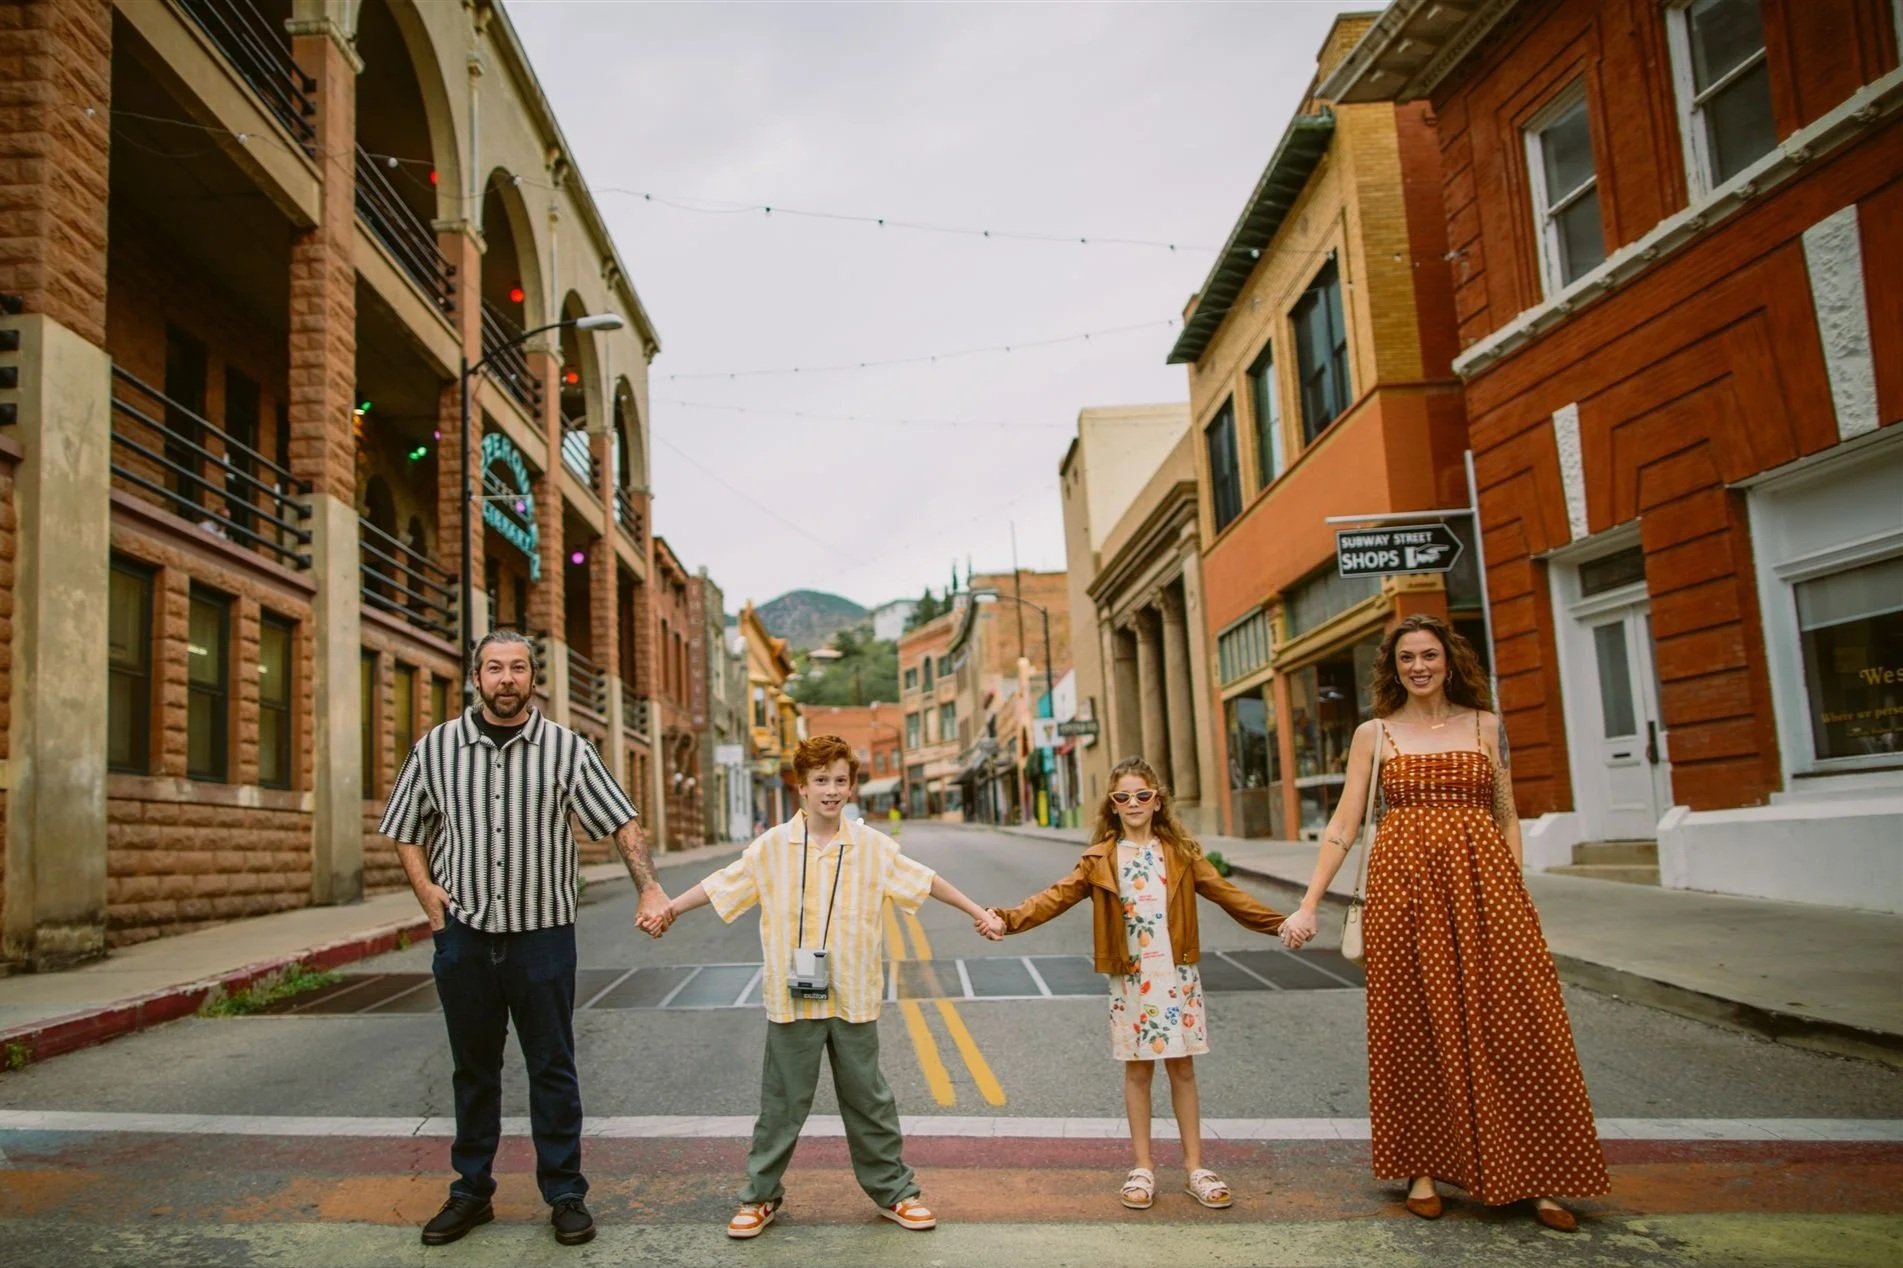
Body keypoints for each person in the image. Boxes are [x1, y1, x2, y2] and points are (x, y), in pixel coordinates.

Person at [1279, 614, 1608, 1231]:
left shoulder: (1486, 725)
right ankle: (1422, 1170)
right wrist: (1308, 903)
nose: (1419, 667)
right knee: (1414, 1028)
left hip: (1487, 894)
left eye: (1429, 655)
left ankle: (1539, 1175)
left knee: (1519, 1026)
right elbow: (1344, 825)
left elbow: (1506, 814)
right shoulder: (1373, 735)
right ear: (1393, 667)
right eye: (1407, 658)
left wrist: (1514, 893)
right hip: (1403, 897)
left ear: (1449, 661)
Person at [379, 629, 672, 1248]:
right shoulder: (435, 748)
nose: (506, 678)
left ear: (534, 677)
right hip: (464, 936)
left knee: (553, 1068)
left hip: (543, 937)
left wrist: (648, 887)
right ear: (475, 677)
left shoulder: (567, 749)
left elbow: (619, 818)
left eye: (518, 668)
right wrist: (427, 893)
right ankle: (471, 1192)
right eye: (494, 668)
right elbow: (406, 825)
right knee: (474, 1070)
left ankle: (565, 1194)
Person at [645, 734, 1003, 1239]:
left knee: (868, 1099)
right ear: (801, 788)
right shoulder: (771, 847)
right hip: (793, 998)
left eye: (840, 781)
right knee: (782, 1102)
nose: (831, 791)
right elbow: (722, 883)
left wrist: (977, 912)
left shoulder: (874, 847)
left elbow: (925, 880)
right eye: (821, 781)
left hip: (854, 994)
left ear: (851, 787)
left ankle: (895, 1192)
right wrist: (670, 909)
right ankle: (760, 1196)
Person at [986, 756, 1285, 1211]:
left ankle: (1195, 1169)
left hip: (1177, 974)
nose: (1133, 803)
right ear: (1112, 804)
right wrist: (1006, 920)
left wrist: (1282, 924)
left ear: (1158, 800)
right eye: (1122, 797)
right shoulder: (1100, 858)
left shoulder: (1181, 854)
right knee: (1138, 1070)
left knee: (1183, 1068)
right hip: (1131, 978)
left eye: (1142, 795)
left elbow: (1230, 896)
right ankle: (1142, 1168)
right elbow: (1053, 898)